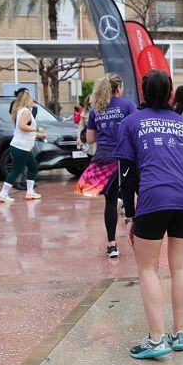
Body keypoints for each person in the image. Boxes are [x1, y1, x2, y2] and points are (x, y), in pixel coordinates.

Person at [115, 70, 183, 358]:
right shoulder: (182, 123)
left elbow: (125, 175)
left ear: (142, 92)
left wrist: (130, 216)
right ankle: (179, 334)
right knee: (180, 267)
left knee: (148, 268)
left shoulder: (131, 123)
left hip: (154, 196)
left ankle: (156, 340)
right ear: (169, 93)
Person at [77, 74, 137, 257]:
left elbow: (90, 139)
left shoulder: (97, 108)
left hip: (104, 158)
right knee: (131, 200)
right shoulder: (128, 106)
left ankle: (112, 245)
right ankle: (137, 240)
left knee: (110, 203)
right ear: (118, 88)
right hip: (126, 157)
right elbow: (137, 129)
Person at [0, 88, 45, 203]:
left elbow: (22, 130)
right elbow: (23, 127)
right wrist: (38, 129)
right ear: (27, 99)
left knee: (33, 167)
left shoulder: (21, 111)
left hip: (23, 146)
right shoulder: (26, 112)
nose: (33, 100)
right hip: (21, 147)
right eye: (31, 98)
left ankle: (29, 192)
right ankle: (3, 194)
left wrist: (38, 135)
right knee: (16, 170)